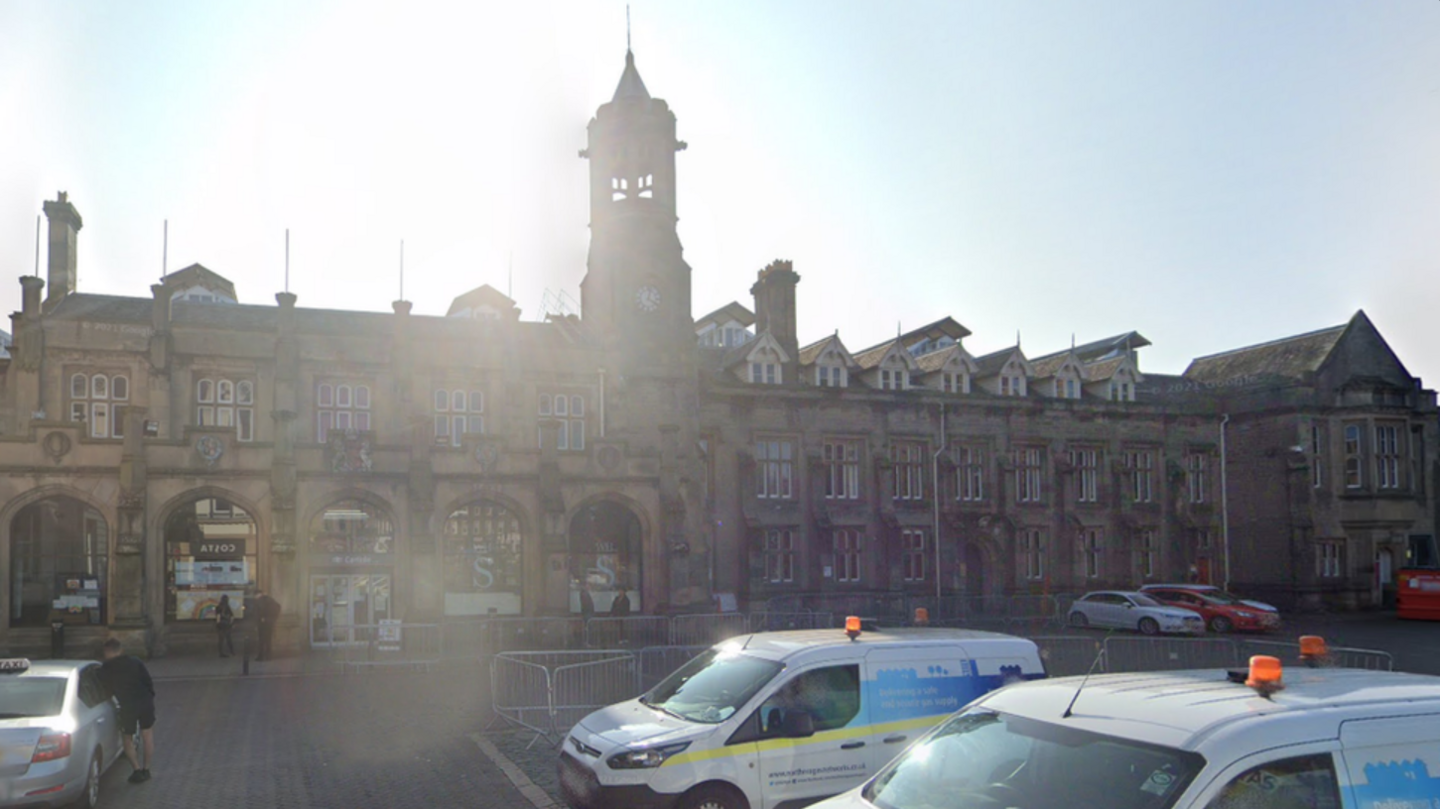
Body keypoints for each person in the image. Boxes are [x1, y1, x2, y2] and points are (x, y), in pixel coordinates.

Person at [99, 638, 155, 784]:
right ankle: (147, 769)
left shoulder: (106, 668)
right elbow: (148, 681)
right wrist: (149, 696)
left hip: (127, 705)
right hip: (145, 701)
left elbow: (105, 690)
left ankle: (136, 770)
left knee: (127, 738)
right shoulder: (135, 661)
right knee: (147, 734)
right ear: (120, 649)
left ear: (107, 651)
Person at [254, 590, 281, 661]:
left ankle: (261, 656)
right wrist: (273, 618)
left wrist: (262, 618)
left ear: (257, 594)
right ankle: (269, 656)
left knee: (261, 640)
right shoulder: (270, 599)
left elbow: (260, 611)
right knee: (268, 640)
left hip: (262, 623)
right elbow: (278, 606)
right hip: (270, 623)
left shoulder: (260, 601)